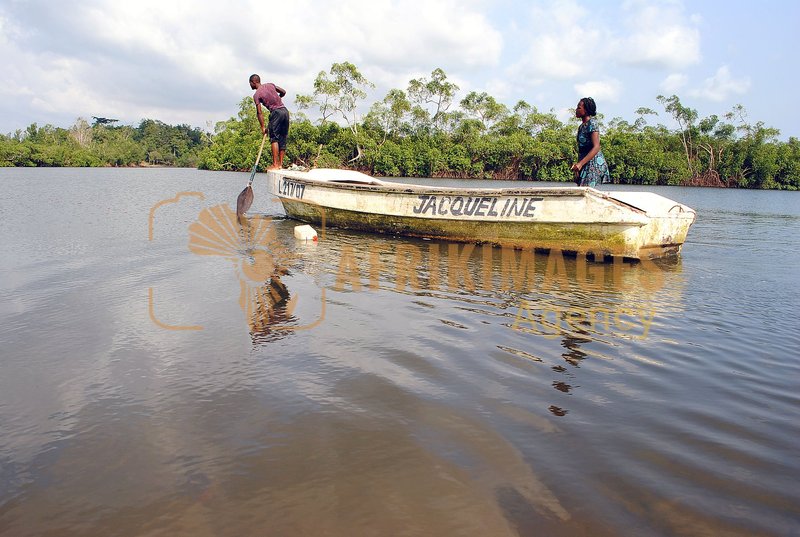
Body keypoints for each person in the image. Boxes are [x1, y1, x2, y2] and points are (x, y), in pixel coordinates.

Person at [249, 74, 290, 170]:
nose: (250, 85)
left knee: (274, 139)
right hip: (285, 111)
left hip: (276, 113)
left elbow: (259, 112)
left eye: (250, 83)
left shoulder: (256, 94)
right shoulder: (270, 85)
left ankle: (275, 164)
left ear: (254, 82)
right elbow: (283, 92)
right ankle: (280, 164)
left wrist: (263, 127)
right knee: (282, 137)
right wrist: (278, 98)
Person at [571, 97, 610, 187]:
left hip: (593, 162)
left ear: (586, 111)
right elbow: (582, 149)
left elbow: (596, 147)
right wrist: (578, 166)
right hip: (585, 162)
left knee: (585, 189)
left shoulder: (592, 123)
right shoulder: (581, 127)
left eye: (579, 108)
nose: (576, 110)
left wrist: (580, 164)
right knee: (581, 189)